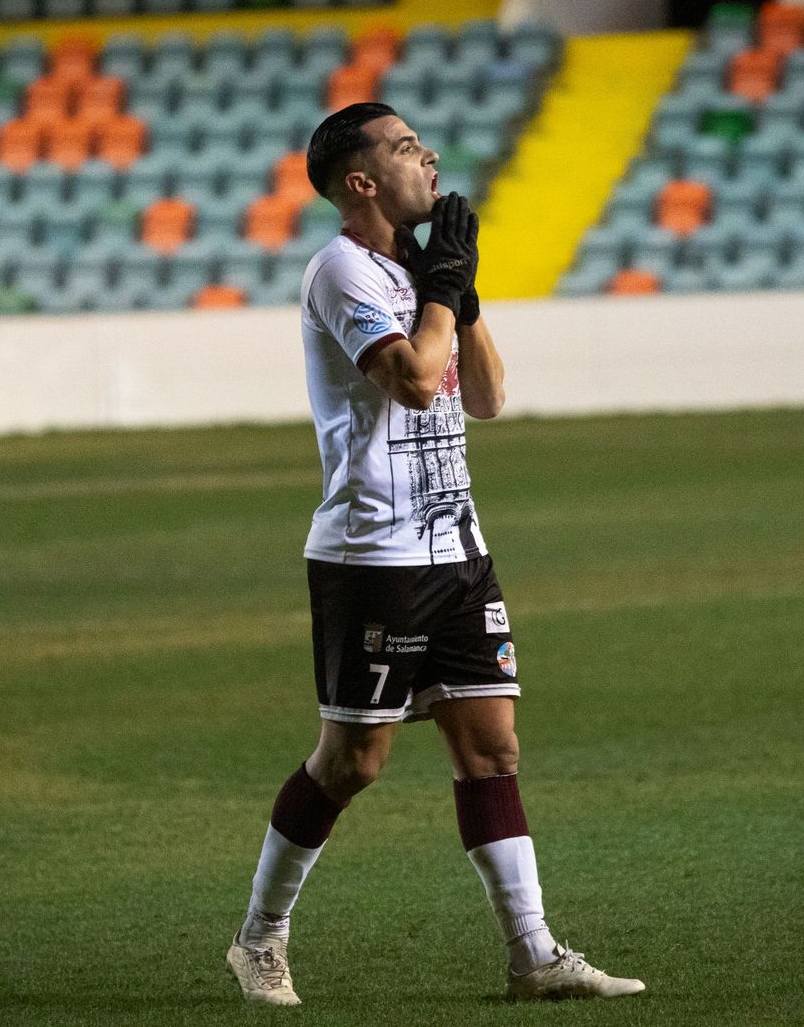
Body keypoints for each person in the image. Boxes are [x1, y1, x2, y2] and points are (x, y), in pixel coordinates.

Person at [225, 103, 646, 1005]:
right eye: (409, 147)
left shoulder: (421, 273)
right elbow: (416, 384)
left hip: (458, 546)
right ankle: (259, 938)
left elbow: (486, 396)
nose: (433, 157)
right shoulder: (340, 272)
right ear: (361, 180)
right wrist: (441, 288)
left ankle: (532, 953)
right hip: (372, 553)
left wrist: (460, 288)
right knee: (354, 761)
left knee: (492, 748)